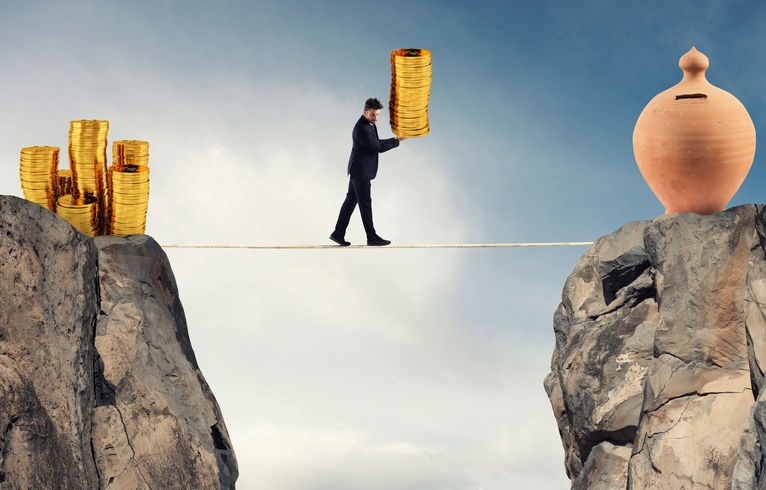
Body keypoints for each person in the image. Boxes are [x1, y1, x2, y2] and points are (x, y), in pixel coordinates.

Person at [330, 98, 406, 246]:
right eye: (372, 114)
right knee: (365, 205)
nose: (375, 118)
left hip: (358, 170)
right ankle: (371, 237)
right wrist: (397, 140)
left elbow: (375, 144)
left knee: (350, 202)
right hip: (360, 172)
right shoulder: (362, 128)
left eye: (377, 114)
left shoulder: (369, 124)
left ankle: (338, 233)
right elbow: (377, 146)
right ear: (365, 112)